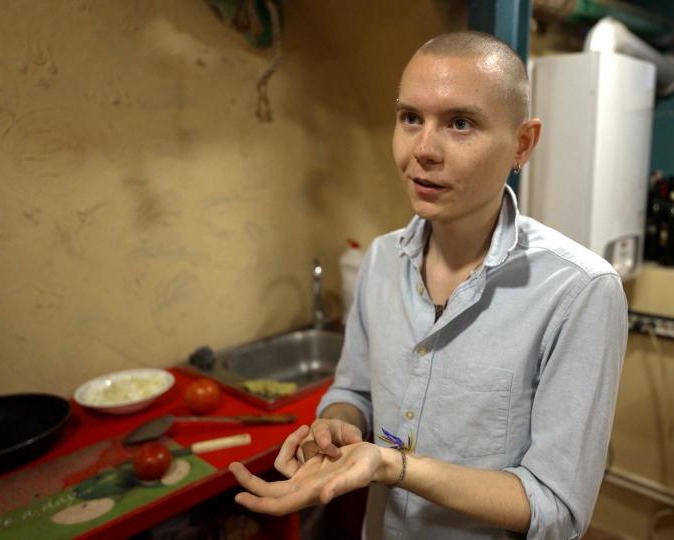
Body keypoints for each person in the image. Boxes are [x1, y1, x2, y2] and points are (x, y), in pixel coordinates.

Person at [229, 30, 628, 539]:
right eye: (410, 118)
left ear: (522, 144)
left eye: (460, 123)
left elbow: (556, 507)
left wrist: (392, 466)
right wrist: (338, 422)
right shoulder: (379, 261)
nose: (423, 150)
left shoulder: (579, 290)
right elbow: (354, 387)